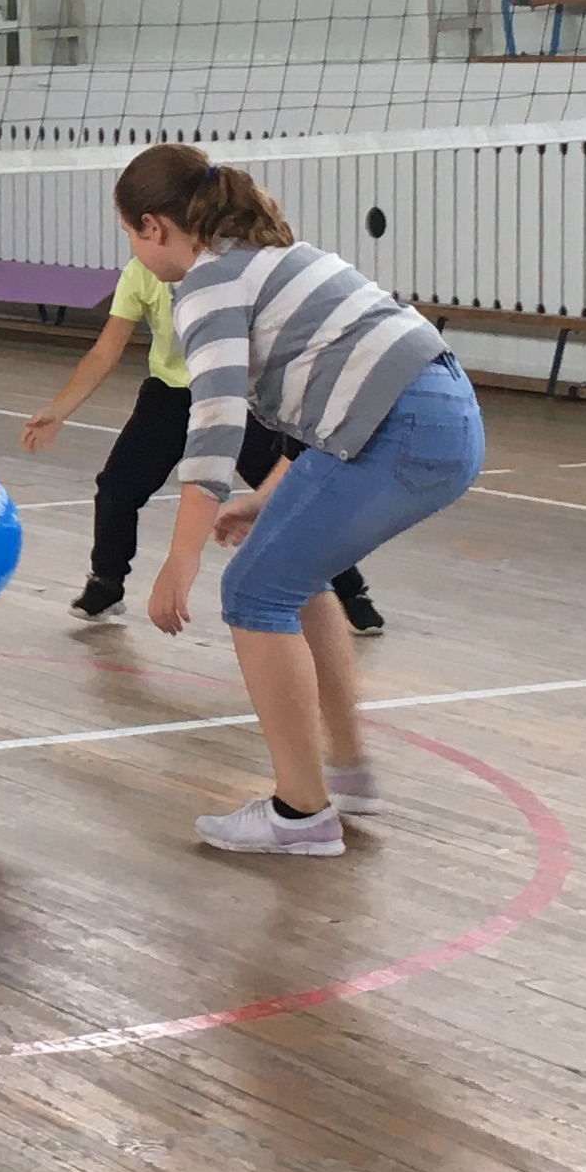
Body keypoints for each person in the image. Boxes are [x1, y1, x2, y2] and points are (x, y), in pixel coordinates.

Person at [121, 142, 484, 857]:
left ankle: (300, 813)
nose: (133, 251)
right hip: (445, 413)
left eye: (130, 235)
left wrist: (179, 560)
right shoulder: (271, 257)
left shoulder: (206, 283)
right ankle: (346, 775)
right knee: (294, 573)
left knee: (253, 592)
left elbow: (215, 425)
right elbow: (336, 400)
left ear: (154, 227)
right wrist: (268, 499)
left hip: (402, 425)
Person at [23, 256, 382, 635]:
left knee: (287, 495)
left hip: (235, 393)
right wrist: (58, 409)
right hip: (170, 395)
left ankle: (350, 590)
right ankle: (106, 582)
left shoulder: (227, 268)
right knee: (117, 487)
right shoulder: (140, 272)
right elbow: (104, 351)